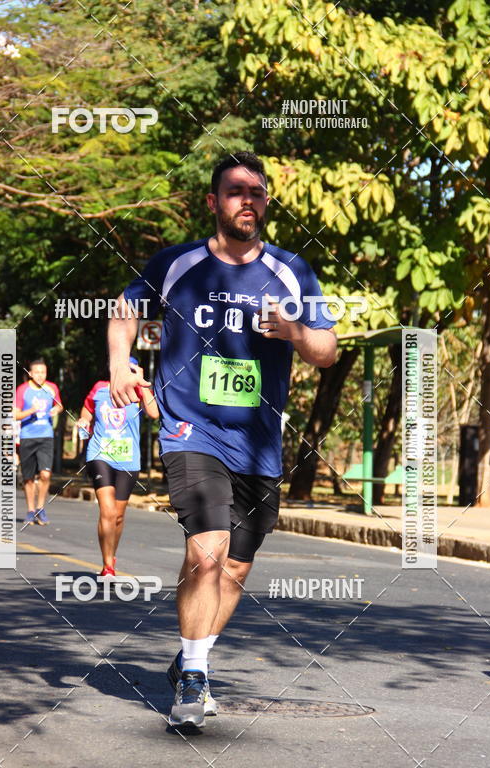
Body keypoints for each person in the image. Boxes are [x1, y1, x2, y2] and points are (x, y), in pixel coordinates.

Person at [108, 150, 337, 727]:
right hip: (192, 429)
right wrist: (119, 363)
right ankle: (192, 677)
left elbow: (328, 351)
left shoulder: (291, 271)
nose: (248, 201)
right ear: (213, 202)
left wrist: (293, 330)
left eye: (257, 192)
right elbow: (123, 311)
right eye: (236, 192)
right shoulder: (176, 264)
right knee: (205, 549)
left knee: (236, 566)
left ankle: (194, 655)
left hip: (258, 441)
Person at [77, 357, 158, 576]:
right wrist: (84, 421)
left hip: (128, 458)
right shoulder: (100, 388)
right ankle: (107, 566)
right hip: (100, 454)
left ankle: (111, 554)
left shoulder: (138, 391)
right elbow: (86, 411)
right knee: (108, 510)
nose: (127, 373)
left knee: (119, 516)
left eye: (131, 369)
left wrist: (141, 382)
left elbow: (154, 413)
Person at [14, 360, 63, 525]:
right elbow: (15, 414)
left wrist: (57, 409)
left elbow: (59, 405)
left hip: (46, 436)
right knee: (28, 478)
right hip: (27, 436)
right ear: (30, 373)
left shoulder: (52, 388)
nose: (40, 375)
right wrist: (31, 411)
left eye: (43, 372)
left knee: (45, 474)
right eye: (37, 372)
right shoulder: (22, 390)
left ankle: (41, 509)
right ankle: (30, 510)